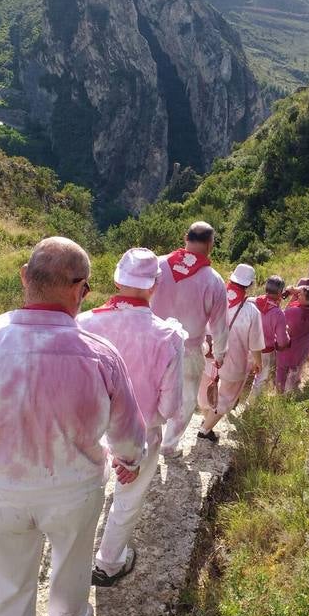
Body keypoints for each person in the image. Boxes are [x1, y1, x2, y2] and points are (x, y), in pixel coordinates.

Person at [0, 237, 146, 616]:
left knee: (9, 581)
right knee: (72, 562)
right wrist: (129, 461)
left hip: (2, 489)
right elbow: (128, 435)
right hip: (75, 488)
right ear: (81, 289)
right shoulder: (99, 354)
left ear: (24, 277)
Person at [78, 248, 187, 587]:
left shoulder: (83, 324)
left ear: (115, 280)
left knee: (86, 493)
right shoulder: (167, 335)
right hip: (141, 433)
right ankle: (109, 563)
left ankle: (74, 561)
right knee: (128, 498)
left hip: (90, 430)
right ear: (155, 284)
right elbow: (171, 407)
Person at [151, 222, 229, 456]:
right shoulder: (213, 280)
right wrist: (220, 354)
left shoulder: (156, 264)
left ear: (186, 237)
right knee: (185, 400)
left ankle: (148, 441)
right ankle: (169, 444)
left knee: (148, 391)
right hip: (189, 349)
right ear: (210, 244)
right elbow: (219, 324)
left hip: (151, 343)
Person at [197, 264, 265, 441]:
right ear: (249, 285)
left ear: (231, 279)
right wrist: (258, 362)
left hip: (208, 354)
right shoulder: (251, 311)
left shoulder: (213, 298)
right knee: (227, 397)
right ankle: (205, 429)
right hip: (234, 361)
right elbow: (255, 343)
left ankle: (207, 422)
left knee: (205, 393)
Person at [276, 285, 309, 393]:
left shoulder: (294, 311)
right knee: (294, 370)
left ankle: (279, 392)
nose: (298, 295)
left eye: (301, 295)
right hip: (303, 347)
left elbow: (281, 318)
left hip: (289, 347)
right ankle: (289, 392)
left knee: (281, 370)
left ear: (307, 300)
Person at [249, 275, 290, 395]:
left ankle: (230, 401)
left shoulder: (251, 301)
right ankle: (249, 408)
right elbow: (282, 341)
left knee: (240, 376)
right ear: (280, 292)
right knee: (260, 379)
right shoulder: (278, 313)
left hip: (246, 347)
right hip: (265, 351)